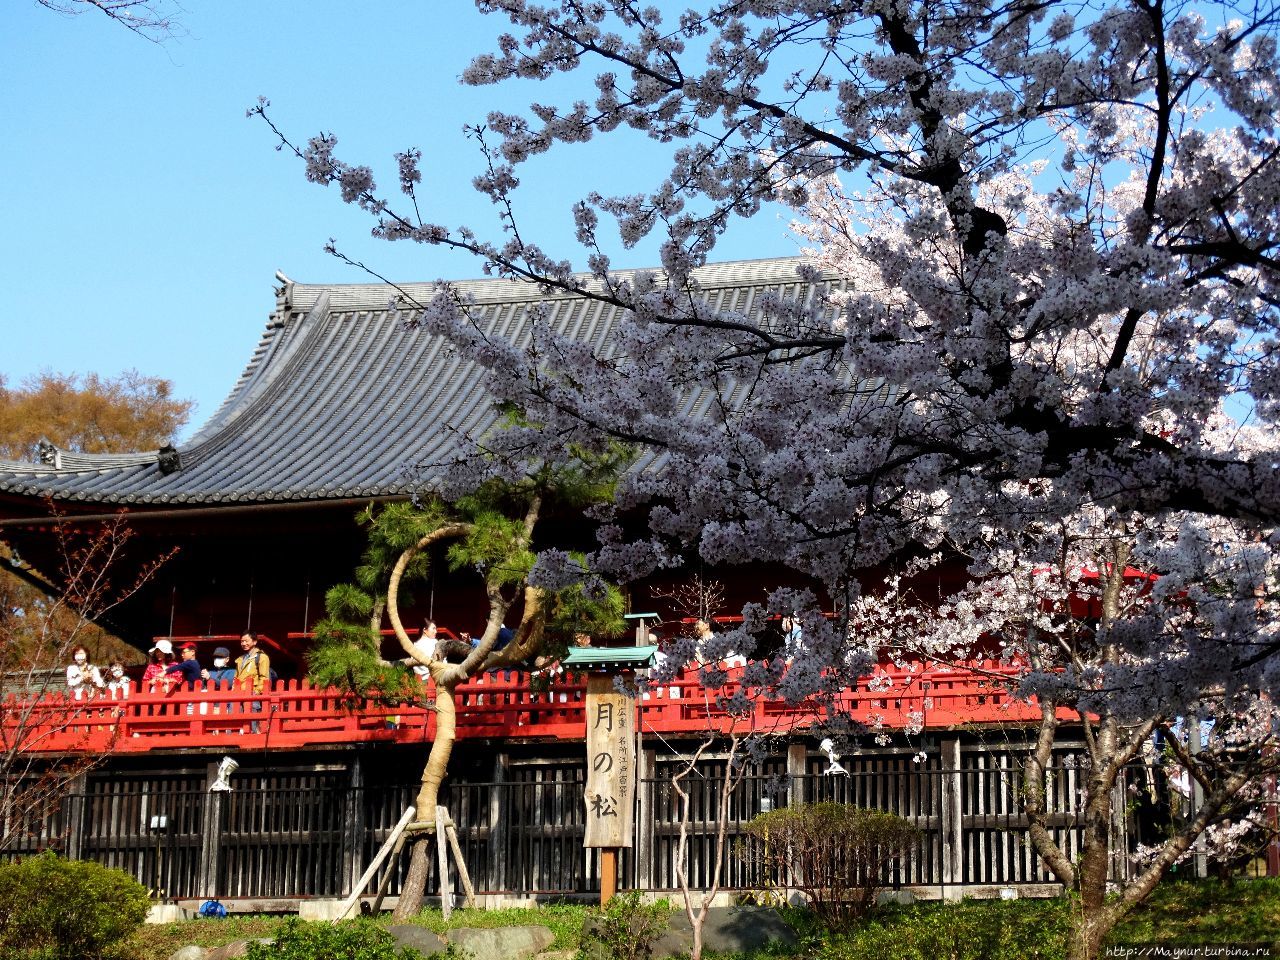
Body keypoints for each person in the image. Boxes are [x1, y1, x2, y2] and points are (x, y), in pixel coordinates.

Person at [235, 632, 271, 732]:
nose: (243, 643)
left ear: (254, 642)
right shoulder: (240, 659)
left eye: (246, 641)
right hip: (239, 694)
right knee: (240, 723)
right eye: (242, 641)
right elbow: (236, 677)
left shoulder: (262, 657)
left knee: (252, 724)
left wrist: (257, 691)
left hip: (252, 693)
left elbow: (264, 677)